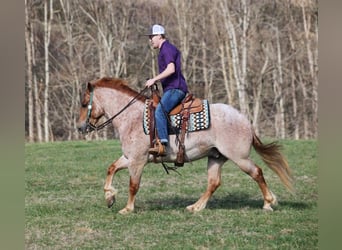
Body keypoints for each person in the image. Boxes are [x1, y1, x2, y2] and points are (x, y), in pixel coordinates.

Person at [145, 24, 189, 156]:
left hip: (175, 89)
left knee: (159, 111)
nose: (150, 40)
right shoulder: (164, 50)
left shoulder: (166, 49)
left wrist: (154, 79)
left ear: (159, 36)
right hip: (172, 89)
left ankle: (162, 145)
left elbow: (171, 69)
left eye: (152, 36)